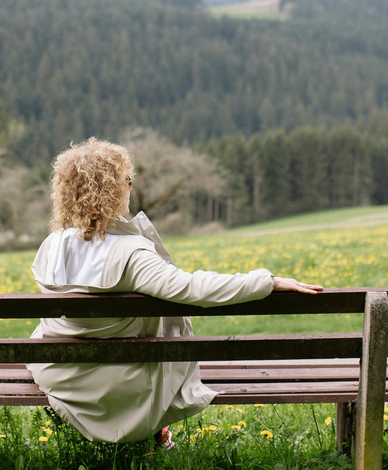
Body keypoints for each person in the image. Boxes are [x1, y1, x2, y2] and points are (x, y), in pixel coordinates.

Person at [26, 137, 322, 447]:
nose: (130, 187)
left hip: (61, 371)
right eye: (126, 180)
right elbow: (193, 289)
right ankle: (154, 435)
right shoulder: (130, 253)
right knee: (165, 324)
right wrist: (267, 281)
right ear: (112, 190)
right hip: (118, 381)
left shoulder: (52, 246)